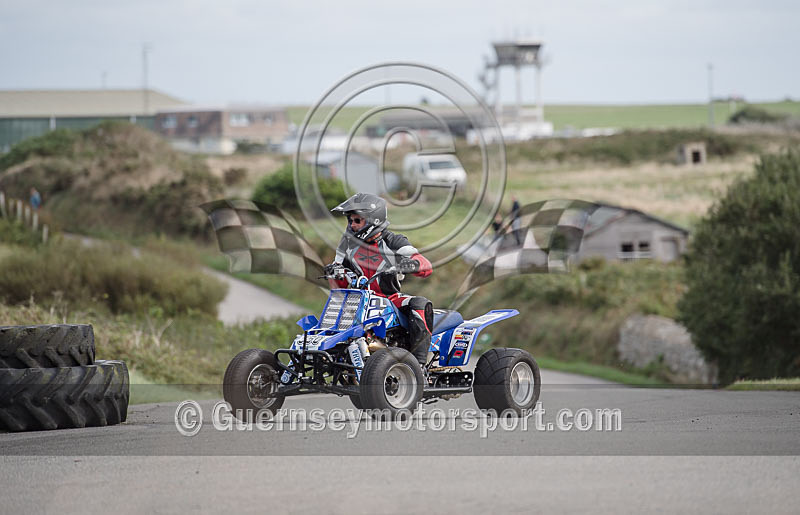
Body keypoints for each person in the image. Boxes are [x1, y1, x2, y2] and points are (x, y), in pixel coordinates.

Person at [324, 192, 433, 366]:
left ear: (373, 220)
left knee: (419, 303)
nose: (352, 225)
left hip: (390, 299)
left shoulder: (394, 241)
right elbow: (338, 284)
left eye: (357, 221)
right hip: (357, 301)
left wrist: (411, 264)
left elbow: (425, 265)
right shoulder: (347, 246)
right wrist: (335, 274)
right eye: (350, 221)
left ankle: (419, 365)